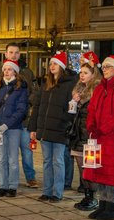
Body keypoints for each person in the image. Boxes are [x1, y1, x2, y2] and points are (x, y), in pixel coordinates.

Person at [85, 55, 114, 220]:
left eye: (108, 67)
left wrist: (103, 129)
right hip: (98, 137)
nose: (105, 70)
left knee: (111, 172)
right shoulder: (100, 88)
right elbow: (91, 110)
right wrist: (91, 125)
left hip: (113, 138)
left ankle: (111, 207)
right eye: (103, 67)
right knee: (99, 171)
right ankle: (102, 204)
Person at [0, 42, 39, 188]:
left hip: (23, 119)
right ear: (5, 54)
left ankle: (30, 177)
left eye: (16, 52)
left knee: (26, 150)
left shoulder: (27, 72)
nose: (13, 55)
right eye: (11, 52)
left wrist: (24, 103)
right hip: (2, 119)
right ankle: (3, 178)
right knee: (3, 153)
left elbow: (35, 92)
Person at [28, 51, 77, 202]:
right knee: (47, 161)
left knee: (58, 161)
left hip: (60, 129)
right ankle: (47, 191)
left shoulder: (69, 84)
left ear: (61, 66)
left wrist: (66, 123)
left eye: (55, 63)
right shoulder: (46, 83)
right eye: (50, 64)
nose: (51, 66)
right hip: (45, 128)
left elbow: (72, 109)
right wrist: (34, 128)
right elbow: (37, 106)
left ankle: (57, 192)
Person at [0, 60, 29, 198]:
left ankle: (12, 186)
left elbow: (21, 110)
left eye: (10, 69)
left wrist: (8, 124)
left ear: (15, 72)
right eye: (5, 69)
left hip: (13, 128)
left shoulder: (20, 88)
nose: (7, 72)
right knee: (1, 158)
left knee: (12, 159)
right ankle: (3, 185)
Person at [68, 51, 102, 211]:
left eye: (85, 73)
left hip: (90, 135)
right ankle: (86, 195)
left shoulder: (97, 91)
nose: (82, 75)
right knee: (82, 167)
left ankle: (93, 197)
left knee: (91, 167)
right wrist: (73, 104)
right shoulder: (78, 90)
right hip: (78, 134)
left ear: (93, 74)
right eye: (81, 72)